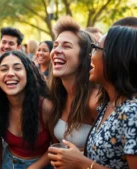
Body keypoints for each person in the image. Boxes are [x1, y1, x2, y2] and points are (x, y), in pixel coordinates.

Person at [48, 25, 137, 169]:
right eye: (55, 45)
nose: (91, 55)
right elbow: (103, 154)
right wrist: (74, 156)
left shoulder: (132, 111)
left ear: (114, 57)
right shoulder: (108, 103)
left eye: (96, 49)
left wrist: (82, 163)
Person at [0, 50, 53, 169]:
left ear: (28, 73)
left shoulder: (46, 107)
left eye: (17, 68)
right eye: (4, 69)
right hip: (7, 163)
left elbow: (57, 145)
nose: (10, 73)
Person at [47, 16, 98, 151]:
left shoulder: (95, 100)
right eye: (55, 45)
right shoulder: (56, 97)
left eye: (66, 46)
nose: (56, 51)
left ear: (84, 57)